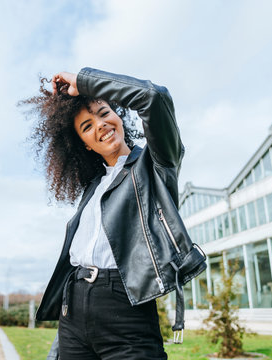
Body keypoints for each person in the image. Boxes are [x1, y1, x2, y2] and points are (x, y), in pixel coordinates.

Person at [25, 68, 207, 360]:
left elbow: (154, 97)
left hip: (126, 308)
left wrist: (84, 81)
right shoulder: (94, 188)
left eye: (103, 112)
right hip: (74, 308)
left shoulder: (156, 164)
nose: (100, 125)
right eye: (86, 126)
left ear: (119, 115)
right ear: (86, 143)